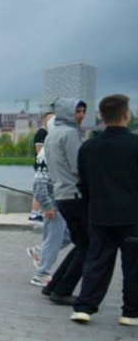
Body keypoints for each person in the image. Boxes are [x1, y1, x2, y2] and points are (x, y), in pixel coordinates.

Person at [71, 94, 138, 326]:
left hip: (99, 214)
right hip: (132, 215)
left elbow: (83, 182)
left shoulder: (89, 147)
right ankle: (130, 312)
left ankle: (84, 307)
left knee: (97, 261)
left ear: (101, 116)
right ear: (126, 115)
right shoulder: (135, 145)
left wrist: (91, 206)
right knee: (133, 265)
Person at [40, 98, 88, 306]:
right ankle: (62, 290)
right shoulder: (69, 134)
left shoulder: (53, 135)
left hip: (61, 195)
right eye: (78, 111)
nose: (81, 115)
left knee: (81, 243)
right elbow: (79, 167)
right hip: (75, 194)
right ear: (68, 112)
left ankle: (54, 286)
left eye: (83, 111)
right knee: (88, 244)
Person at [28, 115, 71, 287]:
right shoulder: (48, 151)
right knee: (54, 238)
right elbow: (39, 181)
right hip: (54, 203)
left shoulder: (55, 148)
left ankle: (40, 252)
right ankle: (42, 273)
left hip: (60, 201)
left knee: (70, 235)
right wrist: (47, 204)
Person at [28, 112, 53, 221]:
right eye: (50, 119)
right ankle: (35, 213)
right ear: (44, 121)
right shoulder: (42, 133)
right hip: (42, 166)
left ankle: (40, 211)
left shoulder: (49, 133)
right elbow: (39, 151)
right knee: (40, 188)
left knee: (45, 189)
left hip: (45, 166)